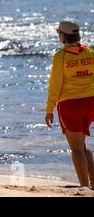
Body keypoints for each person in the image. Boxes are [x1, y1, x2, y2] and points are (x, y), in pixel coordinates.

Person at [45, 19, 94, 188]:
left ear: (64, 36)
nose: (58, 35)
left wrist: (49, 109)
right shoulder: (89, 51)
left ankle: (84, 187)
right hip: (90, 102)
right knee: (82, 145)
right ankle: (92, 183)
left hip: (70, 104)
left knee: (76, 148)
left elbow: (55, 84)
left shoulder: (61, 56)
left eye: (59, 33)